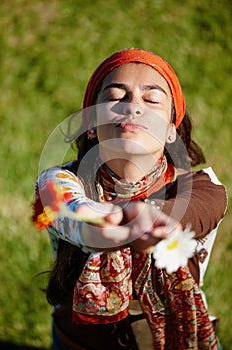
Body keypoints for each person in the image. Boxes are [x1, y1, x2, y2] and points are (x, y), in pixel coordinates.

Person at [33, 49, 227, 350]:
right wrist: (107, 222)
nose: (134, 107)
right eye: (115, 96)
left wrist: (155, 218)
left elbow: (196, 210)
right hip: (78, 342)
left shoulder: (205, 189)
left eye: (151, 100)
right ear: (93, 125)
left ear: (170, 131)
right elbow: (69, 209)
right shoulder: (58, 181)